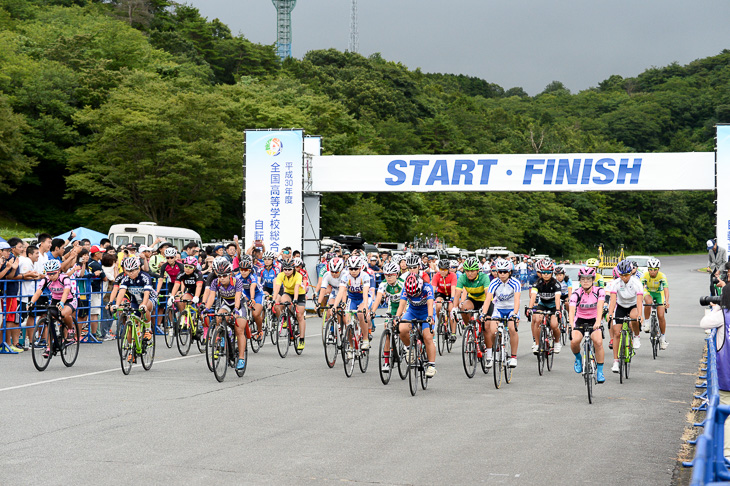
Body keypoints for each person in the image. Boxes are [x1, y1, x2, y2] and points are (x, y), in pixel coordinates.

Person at [700, 285, 730, 457]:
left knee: (726, 416)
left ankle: (726, 456)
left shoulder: (722, 316)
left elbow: (704, 324)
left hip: (726, 376)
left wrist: (717, 307)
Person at [27, 259, 78, 358]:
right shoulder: (46, 279)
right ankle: (49, 347)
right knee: (49, 322)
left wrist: (62, 303)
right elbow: (38, 292)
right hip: (55, 300)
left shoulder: (65, 278)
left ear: (58, 271)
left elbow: (66, 292)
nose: (51, 276)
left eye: (53, 273)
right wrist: (31, 302)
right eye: (49, 273)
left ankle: (71, 330)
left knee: (63, 314)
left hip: (69, 300)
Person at [111, 257, 157, 363]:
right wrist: (116, 305)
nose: (130, 273)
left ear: (138, 269)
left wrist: (144, 304)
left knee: (145, 308)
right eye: (128, 271)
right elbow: (121, 291)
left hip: (149, 298)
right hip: (135, 301)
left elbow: (146, 294)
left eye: (132, 270)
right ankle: (132, 350)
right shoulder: (126, 279)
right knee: (131, 324)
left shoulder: (145, 277)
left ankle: (147, 330)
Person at [394, 273, 437, 377]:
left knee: (427, 337)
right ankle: (410, 349)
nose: (414, 296)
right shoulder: (405, 288)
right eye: (411, 294)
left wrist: (430, 317)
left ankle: (431, 365)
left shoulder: (427, 288)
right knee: (402, 329)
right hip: (412, 312)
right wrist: (397, 317)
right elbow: (402, 304)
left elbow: (430, 304)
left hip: (426, 312)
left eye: (416, 293)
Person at [481, 258, 521, 368]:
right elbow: (488, 299)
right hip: (498, 308)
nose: (502, 274)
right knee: (493, 330)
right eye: (500, 272)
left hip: (512, 309)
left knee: (512, 328)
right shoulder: (494, 282)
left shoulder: (515, 283)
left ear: (510, 272)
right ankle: (497, 349)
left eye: (505, 272)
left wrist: (515, 314)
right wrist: (483, 314)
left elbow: (517, 300)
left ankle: (513, 357)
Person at [568, 266, 606, 383]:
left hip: (594, 319)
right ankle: (578, 358)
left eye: (588, 279)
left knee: (598, 342)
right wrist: (571, 325)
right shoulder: (576, 294)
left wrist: (598, 322)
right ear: (579, 280)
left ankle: (600, 371)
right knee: (574, 341)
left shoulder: (599, 291)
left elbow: (600, 307)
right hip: (580, 319)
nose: (585, 282)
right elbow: (572, 311)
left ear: (593, 280)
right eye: (583, 279)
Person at [607, 259, 644, 373]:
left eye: (627, 275)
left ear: (630, 273)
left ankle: (636, 336)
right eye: (622, 275)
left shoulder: (637, 283)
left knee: (634, 317)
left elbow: (639, 301)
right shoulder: (616, 283)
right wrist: (610, 313)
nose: (624, 277)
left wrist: (640, 315)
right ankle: (616, 362)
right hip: (621, 306)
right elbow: (613, 300)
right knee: (616, 333)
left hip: (633, 305)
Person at [332, 255, 371, 351]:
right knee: (347, 322)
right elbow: (341, 292)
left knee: (361, 314)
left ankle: (365, 339)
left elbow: (365, 293)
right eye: (351, 268)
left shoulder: (365, 276)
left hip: (363, 298)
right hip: (352, 299)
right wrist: (334, 306)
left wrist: (365, 306)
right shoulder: (345, 276)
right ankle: (351, 346)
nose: (353, 271)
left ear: (360, 268)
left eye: (355, 268)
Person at [527, 258, 562, 355]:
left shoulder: (556, 284)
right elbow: (533, 296)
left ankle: (557, 342)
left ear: (552, 273)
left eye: (548, 272)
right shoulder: (537, 283)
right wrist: (530, 308)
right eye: (544, 272)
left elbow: (557, 298)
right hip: (542, 305)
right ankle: (537, 344)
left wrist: (558, 310)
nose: (546, 274)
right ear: (541, 273)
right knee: (537, 320)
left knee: (554, 325)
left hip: (553, 306)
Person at [272, 259, 306, 351]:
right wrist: (273, 299)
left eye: (289, 269)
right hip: (287, 293)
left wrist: (295, 299)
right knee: (282, 302)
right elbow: (277, 288)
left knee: (299, 316)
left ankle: (302, 339)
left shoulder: (298, 275)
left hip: (299, 294)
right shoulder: (280, 275)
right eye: (285, 269)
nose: (287, 271)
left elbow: (296, 288)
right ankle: (285, 318)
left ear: (293, 269)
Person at [640, 257, 669, 350]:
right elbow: (640, 289)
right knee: (648, 302)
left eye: (655, 270)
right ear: (648, 269)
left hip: (658, 294)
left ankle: (663, 339)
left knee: (661, 316)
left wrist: (666, 301)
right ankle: (647, 323)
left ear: (658, 269)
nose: (652, 272)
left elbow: (666, 290)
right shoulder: (644, 276)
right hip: (648, 292)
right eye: (650, 269)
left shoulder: (662, 276)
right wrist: (639, 300)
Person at [0, 239, 22, 351]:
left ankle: (7, 344)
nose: (9, 253)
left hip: (11, 293)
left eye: (9, 250)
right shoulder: (5, 261)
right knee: (6, 319)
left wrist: (12, 268)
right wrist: (9, 267)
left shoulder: (9, 259)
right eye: (6, 250)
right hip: (6, 293)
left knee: (10, 319)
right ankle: (6, 343)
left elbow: (9, 277)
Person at [431, 258, 457, 342]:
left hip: (451, 294)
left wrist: (452, 299)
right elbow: (433, 288)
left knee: (450, 310)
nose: (442, 271)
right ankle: (441, 322)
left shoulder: (453, 275)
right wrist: (431, 299)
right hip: (441, 293)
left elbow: (453, 289)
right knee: (438, 305)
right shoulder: (436, 276)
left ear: (448, 269)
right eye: (441, 269)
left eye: (445, 269)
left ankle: (453, 333)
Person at [87, 245, 107, 339]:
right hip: (94, 290)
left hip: (86, 289)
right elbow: (105, 278)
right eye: (101, 252)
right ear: (96, 254)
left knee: (85, 313)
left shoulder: (87, 262)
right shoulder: (96, 265)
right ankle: (93, 334)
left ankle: (88, 333)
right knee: (94, 313)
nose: (102, 254)